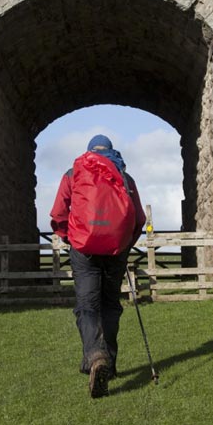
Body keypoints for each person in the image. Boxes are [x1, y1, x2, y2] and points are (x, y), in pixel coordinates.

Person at [50, 134, 146, 398]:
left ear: (89, 151)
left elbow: (58, 213)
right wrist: (124, 244)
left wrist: (70, 238)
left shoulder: (73, 173)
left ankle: (95, 357)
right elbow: (139, 218)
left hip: (84, 249)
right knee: (110, 306)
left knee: (87, 306)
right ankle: (108, 365)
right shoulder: (125, 177)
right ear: (112, 151)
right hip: (116, 250)